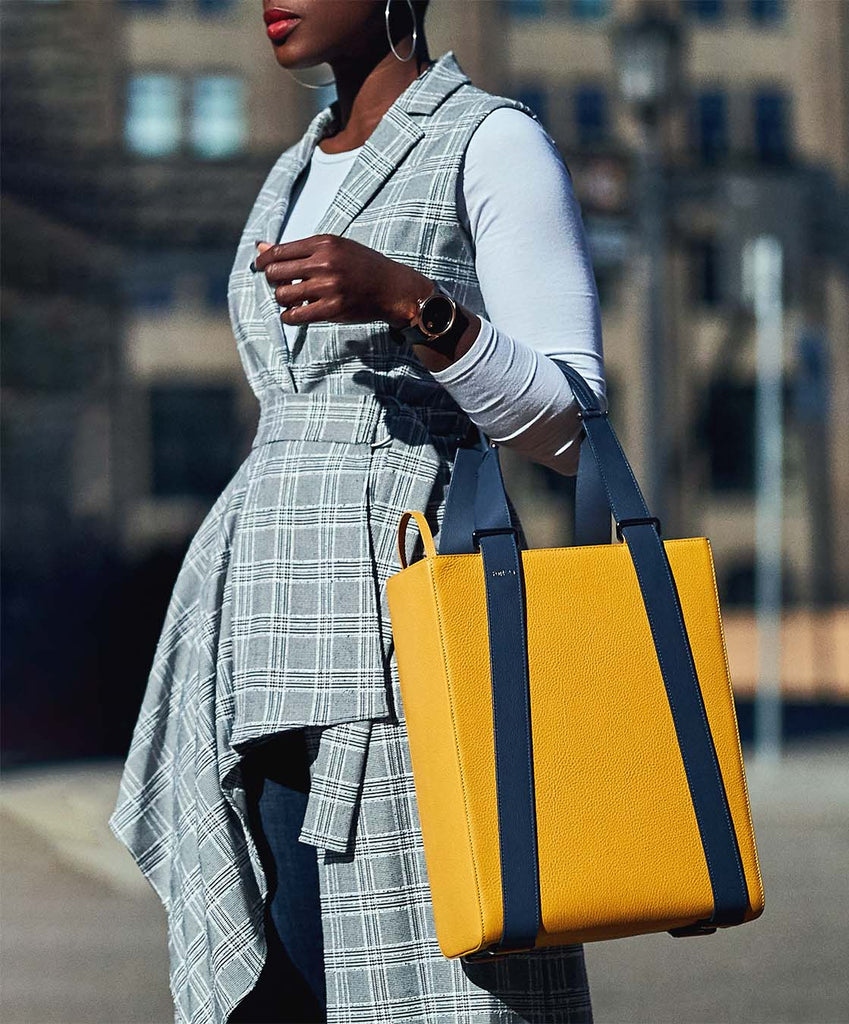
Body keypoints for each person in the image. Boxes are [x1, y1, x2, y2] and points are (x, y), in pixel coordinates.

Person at [109, 2, 605, 1022]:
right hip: (257, 649)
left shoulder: (492, 141)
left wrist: (410, 302)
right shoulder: (291, 169)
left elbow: (568, 426)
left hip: (409, 645)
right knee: (279, 996)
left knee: (443, 986)